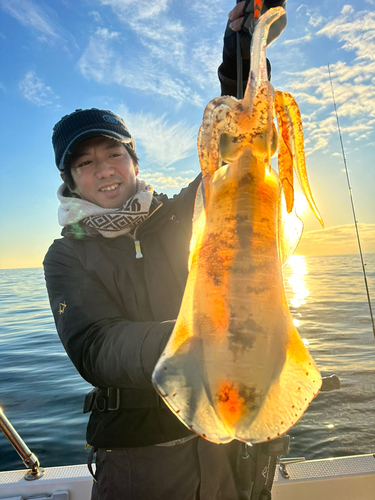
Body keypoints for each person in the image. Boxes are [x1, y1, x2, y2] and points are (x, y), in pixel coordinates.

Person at [44, 2, 287, 499]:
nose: (105, 169)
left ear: (134, 161)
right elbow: (95, 346)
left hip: (224, 439)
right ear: (70, 180)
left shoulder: (183, 213)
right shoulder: (67, 255)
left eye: (114, 154)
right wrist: (199, 336)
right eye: (86, 163)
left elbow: (235, 148)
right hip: (140, 457)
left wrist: (243, 51)